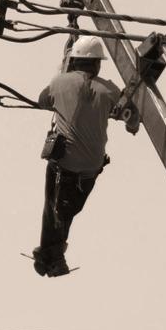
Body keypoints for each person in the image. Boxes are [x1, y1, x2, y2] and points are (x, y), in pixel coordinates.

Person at [33, 35, 121, 277]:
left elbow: (42, 101)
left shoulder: (60, 82)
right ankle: (50, 254)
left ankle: (52, 255)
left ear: (74, 61)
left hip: (65, 164)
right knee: (64, 209)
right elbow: (126, 108)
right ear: (97, 64)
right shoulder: (109, 89)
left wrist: (64, 74)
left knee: (53, 208)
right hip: (91, 168)